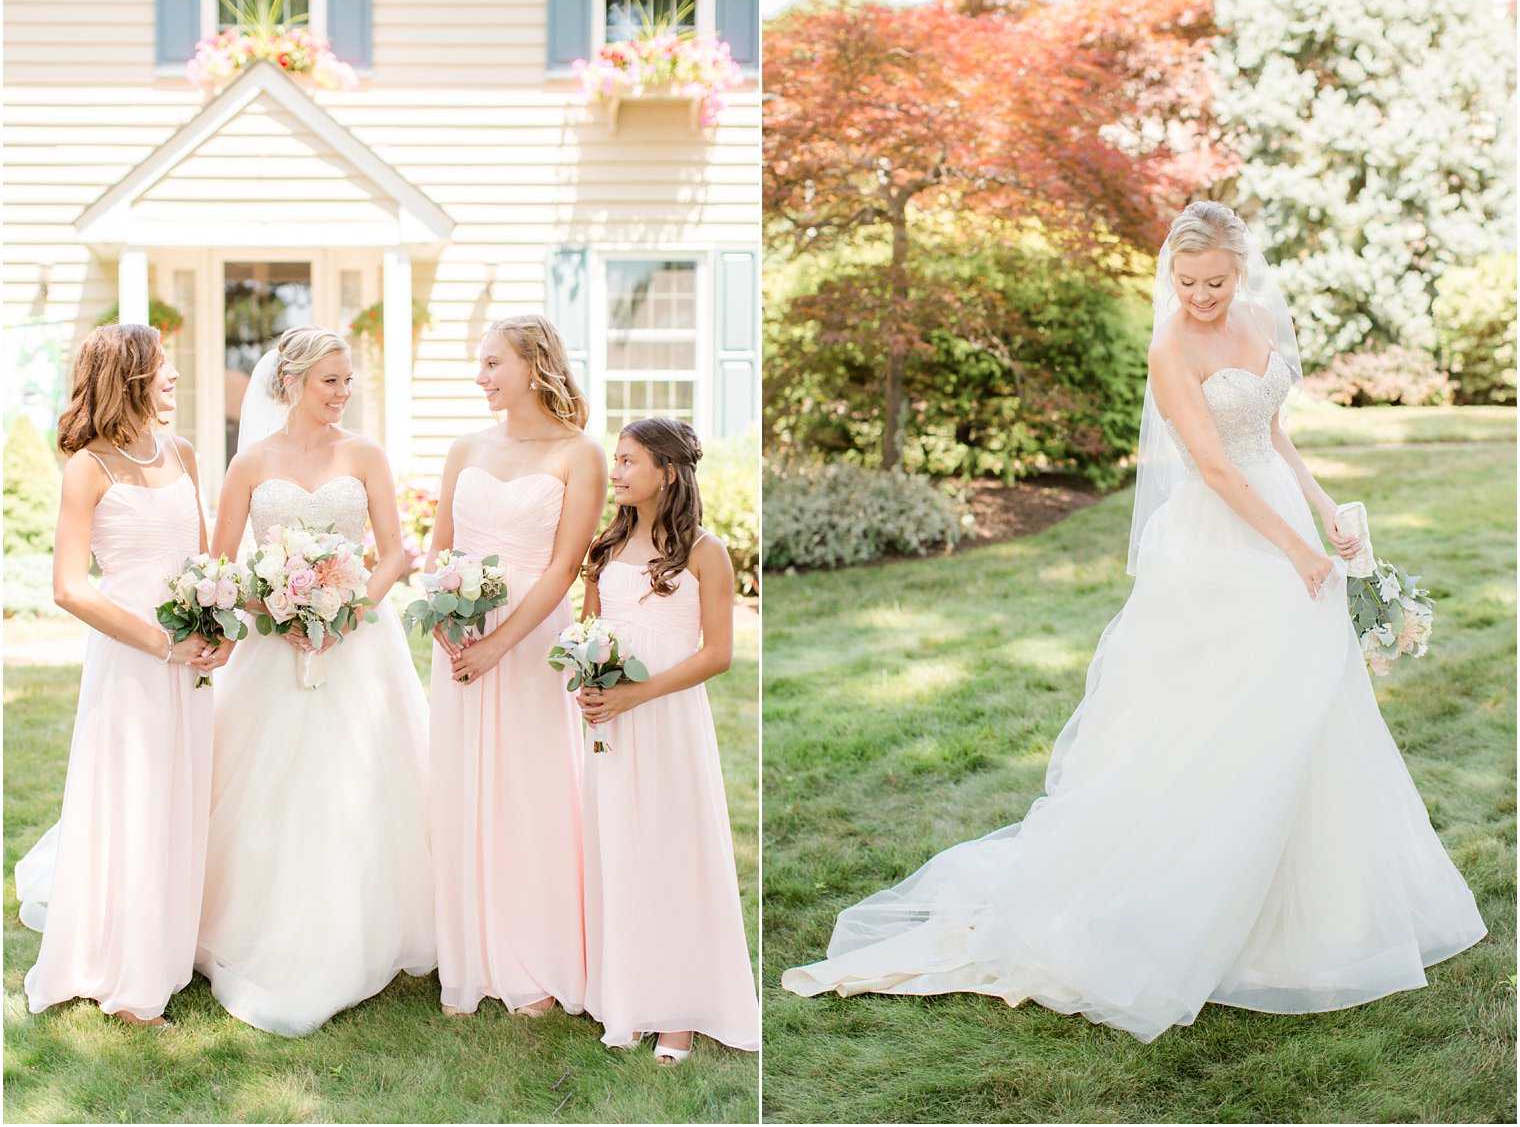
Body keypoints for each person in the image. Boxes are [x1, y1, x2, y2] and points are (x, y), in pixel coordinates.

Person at [781, 201, 1487, 1042]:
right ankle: (1193, 902)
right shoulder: (1168, 349)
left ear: (1242, 269)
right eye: (1186, 282)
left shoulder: (1259, 317)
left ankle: (1320, 917)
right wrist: (1296, 551)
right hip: (1221, 543)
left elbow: (1270, 432)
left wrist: (1325, 507)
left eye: (1215, 282)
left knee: (1313, 708)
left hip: (1282, 515)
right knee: (1225, 719)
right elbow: (1218, 469)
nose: (1199, 296)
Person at [195, 326, 435, 1036]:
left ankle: (359, 929)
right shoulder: (251, 463)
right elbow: (223, 568)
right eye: (331, 379)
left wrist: (347, 607)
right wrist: (276, 609)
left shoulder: (364, 454)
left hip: (358, 642)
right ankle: (253, 928)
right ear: (293, 381)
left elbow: (393, 554)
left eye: (348, 379)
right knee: (264, 785)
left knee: (357, 780)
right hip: (273, 648)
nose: (343, 392)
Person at [16, 323, 226, 1026]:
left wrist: (215, 632)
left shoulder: (185, 453)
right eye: (164, 367)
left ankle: (166, 946)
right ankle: (131, 982)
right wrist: (159, 641)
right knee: (134, 802)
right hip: (132, 660)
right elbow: (70, 588)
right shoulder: (88, 467)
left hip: (191, 660)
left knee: (181, 799)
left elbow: (203, 564)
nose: (174, 378)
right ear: (131, 376)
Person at [426, 315, 605, 1018]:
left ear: (534, 364)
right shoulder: (464, 446)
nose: (481, 376)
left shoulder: (578, 453)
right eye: (480, 363)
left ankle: (537, 960)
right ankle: (472, 952)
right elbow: (440, 545)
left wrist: (504, 643)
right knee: (464, 786)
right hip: (462, 643)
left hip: (532, 639)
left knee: (533, 791)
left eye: (493, 363)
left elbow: (564, 565)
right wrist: (443, 618)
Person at [576, 417, 760, 1064]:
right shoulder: (605, 548)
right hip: (612, 723)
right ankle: (627, 991)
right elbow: (589, 634)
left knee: (672, 850)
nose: (617, 471)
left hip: (668, 719)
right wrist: (590, 683)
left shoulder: (707, 553)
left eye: (628, 461)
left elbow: (718, 654)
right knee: (619, 846)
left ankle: (680, 1012)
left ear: (668, 472)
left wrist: (637, 693)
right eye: (616, 460)